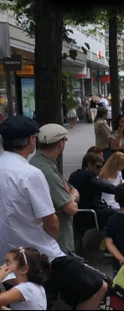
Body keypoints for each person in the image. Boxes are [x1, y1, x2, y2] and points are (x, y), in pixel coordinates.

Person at [0, 115, 108, 310]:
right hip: (42, 254)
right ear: (31, 140)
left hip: (6, 258)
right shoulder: (30, 173)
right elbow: (51, 222)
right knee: (98, 287)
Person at [29, 124, 79, 254]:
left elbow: (71, 188)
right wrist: (72, 197)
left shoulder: (40, 162)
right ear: (61, 144)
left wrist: (70, 192)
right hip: (57, 241)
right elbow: (71, 208)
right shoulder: (46, 170)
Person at [69, 152, 117, 230]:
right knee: (116, 215)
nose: (100, 169)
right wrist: (121, 190)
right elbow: (102, 186)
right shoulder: (88, 176)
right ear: (89, 164)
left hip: (81, 212)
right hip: (88, 213)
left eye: (101, 166)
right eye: (98, 166)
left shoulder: (75, 174)